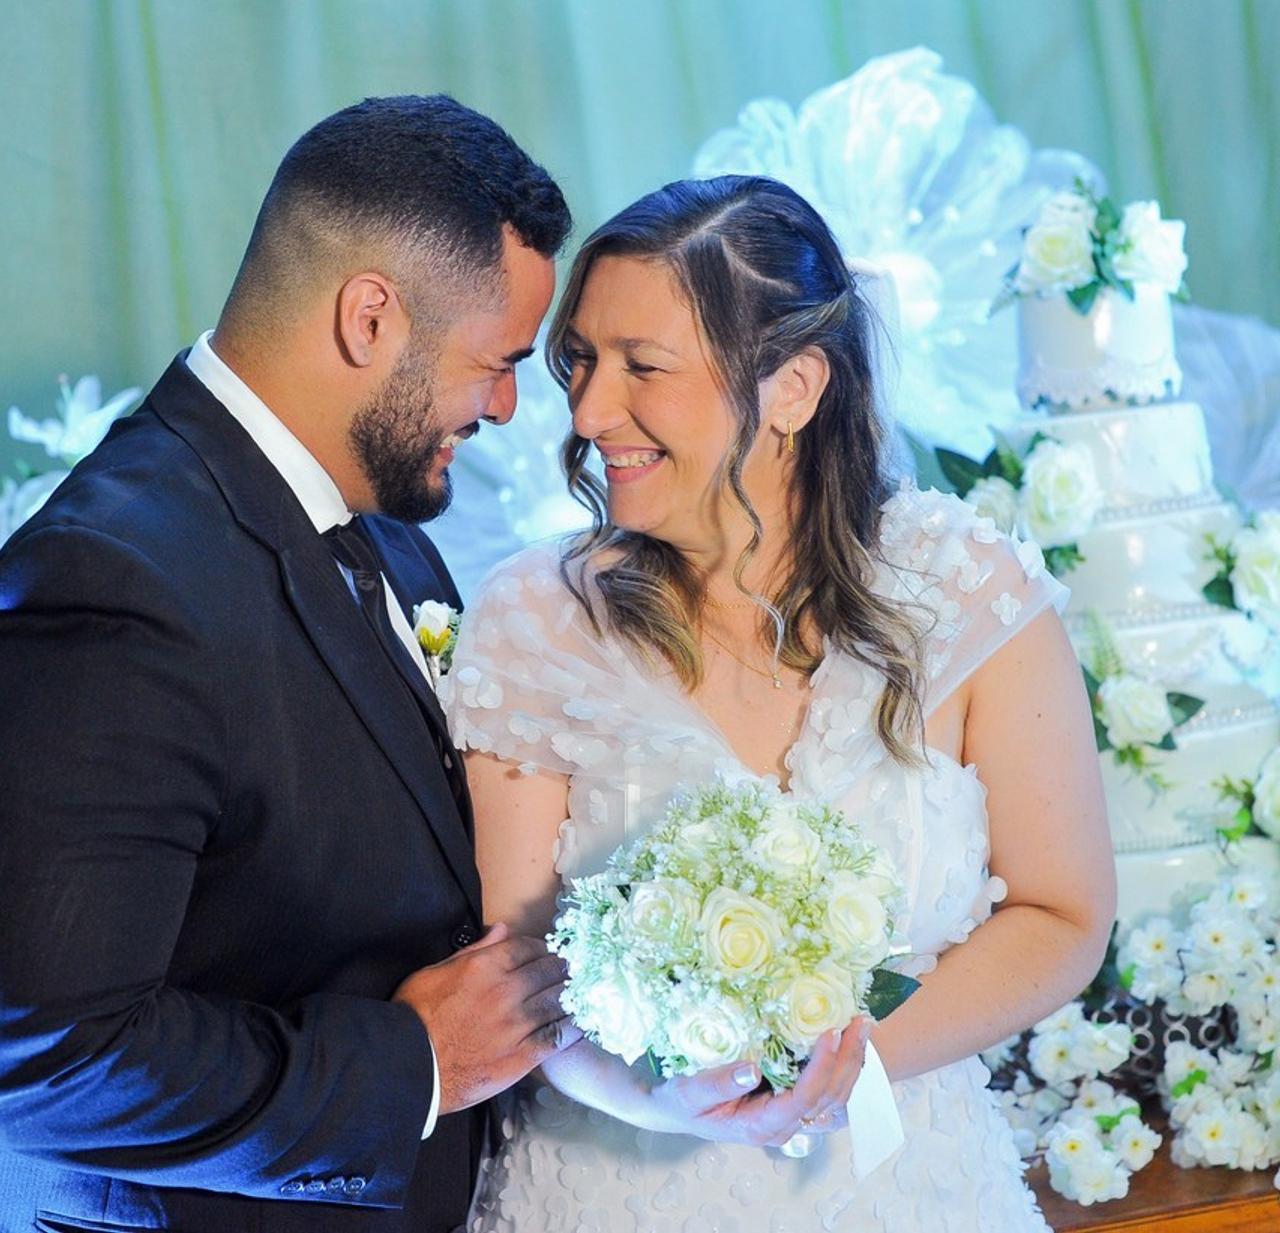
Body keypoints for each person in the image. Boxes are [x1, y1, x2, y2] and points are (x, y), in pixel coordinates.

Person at [444, 174, 1117, 1229]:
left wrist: (845, 1062)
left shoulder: (966, 590)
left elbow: (1062, 912)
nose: (588, 412)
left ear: (794, 388)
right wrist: (666, 1099)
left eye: (642, 366)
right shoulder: (534, 618)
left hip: (909, 1190)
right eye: (580, 360)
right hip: (617, 1193)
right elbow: (518, 973)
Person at [0, 95, 576, 1231]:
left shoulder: (387, 532)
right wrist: (412, 1067)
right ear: (370, 318)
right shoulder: (112, 580)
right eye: (494, 362)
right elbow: (48, 1053)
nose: (509, 406)